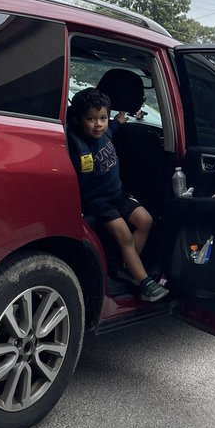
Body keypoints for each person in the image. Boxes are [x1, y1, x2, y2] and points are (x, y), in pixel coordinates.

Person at [66, 87, 168, 303]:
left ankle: (128, 266)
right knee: (124, 235)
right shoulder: (77, 146)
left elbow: (115, 125)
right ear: (78, 120)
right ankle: (145, 283)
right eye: (91, 119)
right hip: (99, 203)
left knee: (145, 221)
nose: (98, 124)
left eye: (103, 118)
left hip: (118, 194)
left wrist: (120, 118)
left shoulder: (107, 132)